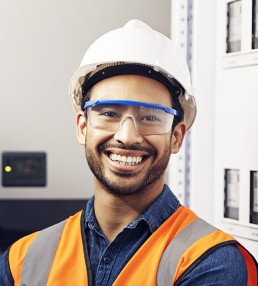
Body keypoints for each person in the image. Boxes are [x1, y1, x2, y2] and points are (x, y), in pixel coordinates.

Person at [0, 19, 257, 286]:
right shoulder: (22, 260)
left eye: (150, 117)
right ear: (83, 127)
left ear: (177, 136)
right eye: (109, 113)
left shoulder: (212, 262)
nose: (127, 136)